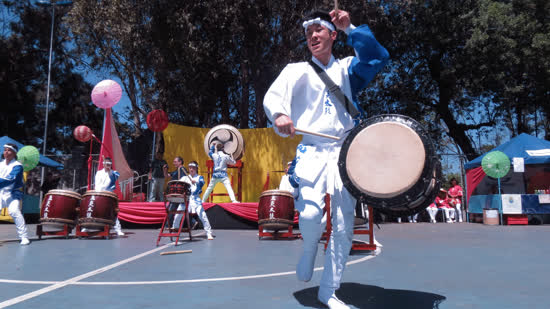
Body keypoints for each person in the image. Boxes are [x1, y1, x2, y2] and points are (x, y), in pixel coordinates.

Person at [263, 9, 389, 309]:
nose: (313, 37)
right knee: (308, 216)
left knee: (343, 225)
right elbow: (273, 96)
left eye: (319, 30)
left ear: (333, 35)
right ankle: (308, 247)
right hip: (311, 151)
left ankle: (329, 291)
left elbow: (377, 57)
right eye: (309, 33)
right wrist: (280, 114)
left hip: (344, 153)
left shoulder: (347, 69)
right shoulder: (296, 70)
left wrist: (351, 28)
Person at [173, 161, 214, 240]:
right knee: (178, 214)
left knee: (202, 215)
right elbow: (178, 184)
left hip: (195, 199)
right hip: (186, 199)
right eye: (190, 168)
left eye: (193, 168)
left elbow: (202, 183)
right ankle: (175, 230)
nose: (191, 169)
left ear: (196, 169)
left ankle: (209, 233)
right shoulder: (185, 178)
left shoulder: (199, 177)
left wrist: (196, 182)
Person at [0, 144, 30, 245]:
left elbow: (11, 179)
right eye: (5, 150)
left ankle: (24, 237)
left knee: (14, 211)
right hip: (0, 193)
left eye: (9, 150)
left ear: (14, 153)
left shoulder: (18, 166)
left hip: (12, 193)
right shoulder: (1, 164)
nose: (6, 152)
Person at [94, 157, 125, 236]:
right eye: (106, 164)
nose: (107, 165)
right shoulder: (99, 173)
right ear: (103, 164)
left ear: (111, 165)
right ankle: (87, 226)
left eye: (109, 164)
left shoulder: (114, 173)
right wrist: (99, 193)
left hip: (109, 195)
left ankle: (118, 229)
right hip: (99, 194)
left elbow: (111, 182)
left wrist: (109, 172)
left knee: (113, 212)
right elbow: (98, 185)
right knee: (94, 210)